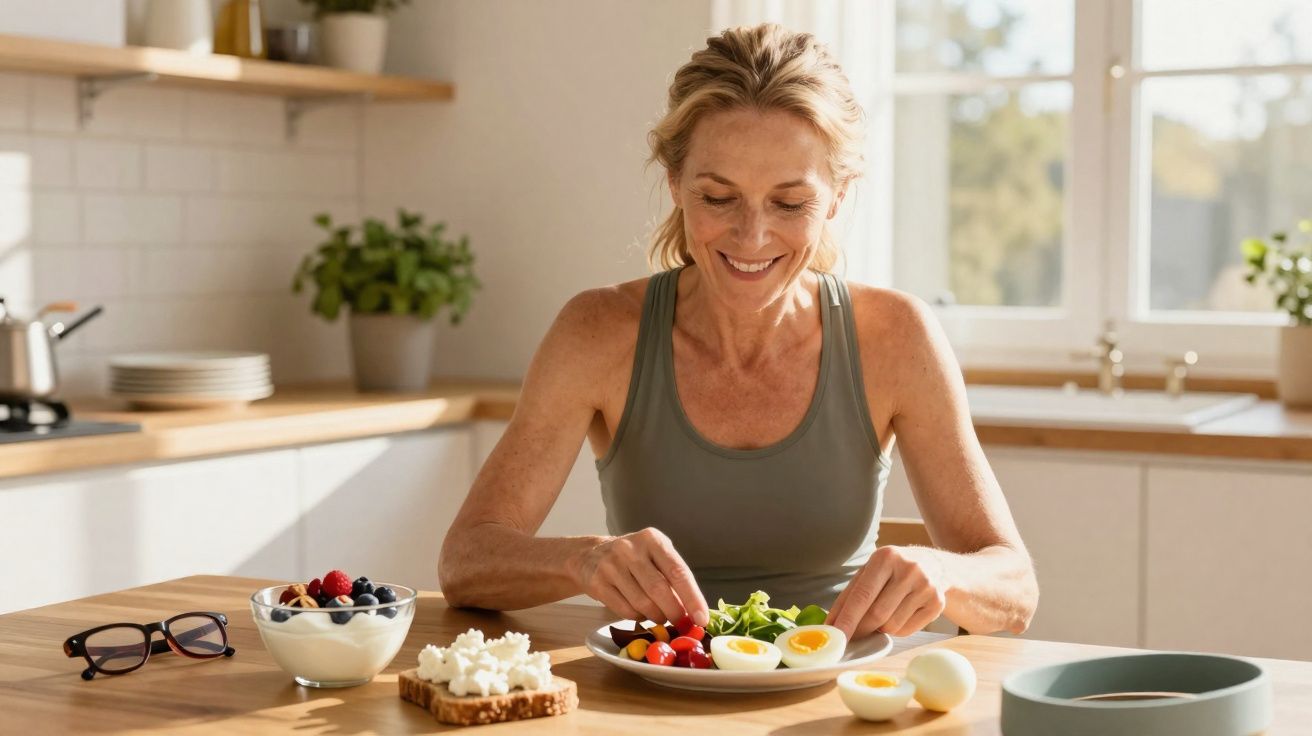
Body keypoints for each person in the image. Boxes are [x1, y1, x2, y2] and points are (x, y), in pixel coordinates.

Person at [439, 23, 1038, 639]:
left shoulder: (897, 337)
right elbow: (465, 562)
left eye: (789, 203)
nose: (751, 238)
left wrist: (943, 572)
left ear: (836, 196)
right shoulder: (596, 333)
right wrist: (582, 559)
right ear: (674, 184)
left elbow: (1014, 586)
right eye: (718, 197)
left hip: (832, 704)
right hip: (652, 687)